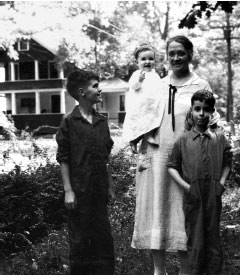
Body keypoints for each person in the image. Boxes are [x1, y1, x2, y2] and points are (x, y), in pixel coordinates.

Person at [131, 35, 220, 275]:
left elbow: (211, 124)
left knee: (185, 213)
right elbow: (139, 113)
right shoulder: (155, 84)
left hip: (186, 159)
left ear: (190, 55)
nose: (176, 58)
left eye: (181, 52)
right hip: (156, 155)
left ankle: (185, 270)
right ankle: (158, 270)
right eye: (171, 53)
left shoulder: (201, 86)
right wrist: (136, 139)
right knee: (156, 209)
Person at [56, 69, 115, 275]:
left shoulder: (102, 122)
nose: (100, 89)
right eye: (95, 86)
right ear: (82, 92)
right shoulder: (69, 122)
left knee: (104, 242)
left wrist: (110, 186)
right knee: (80, 243)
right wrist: (68, 190)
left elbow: (106, 157)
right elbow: (63, 158)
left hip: (99, 192)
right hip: (79, 193)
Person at [167, 90, 232, 275]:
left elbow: (228, 162)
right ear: (192, 111)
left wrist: (221, 183)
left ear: (212, 111)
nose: (201, 114)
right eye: (197, 109)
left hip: (213, 192)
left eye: (205, 109)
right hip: (193, 194)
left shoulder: (219, 137)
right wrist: (186, 186)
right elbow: (171, 166)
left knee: (212, 236)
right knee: (195, 238)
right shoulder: (183, 139)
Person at [122, 43, 165, 160]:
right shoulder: (137, 74)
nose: (148, 62)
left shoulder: (155, 75)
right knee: (141, 124)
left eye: (151, 59)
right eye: (143, 59)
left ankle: (150, 136)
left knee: (154, 121)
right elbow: (133, 86)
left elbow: (159, 88)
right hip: (141, 105)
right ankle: (134, 140)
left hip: (152, 105)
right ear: (137, 62)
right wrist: (139, 81)